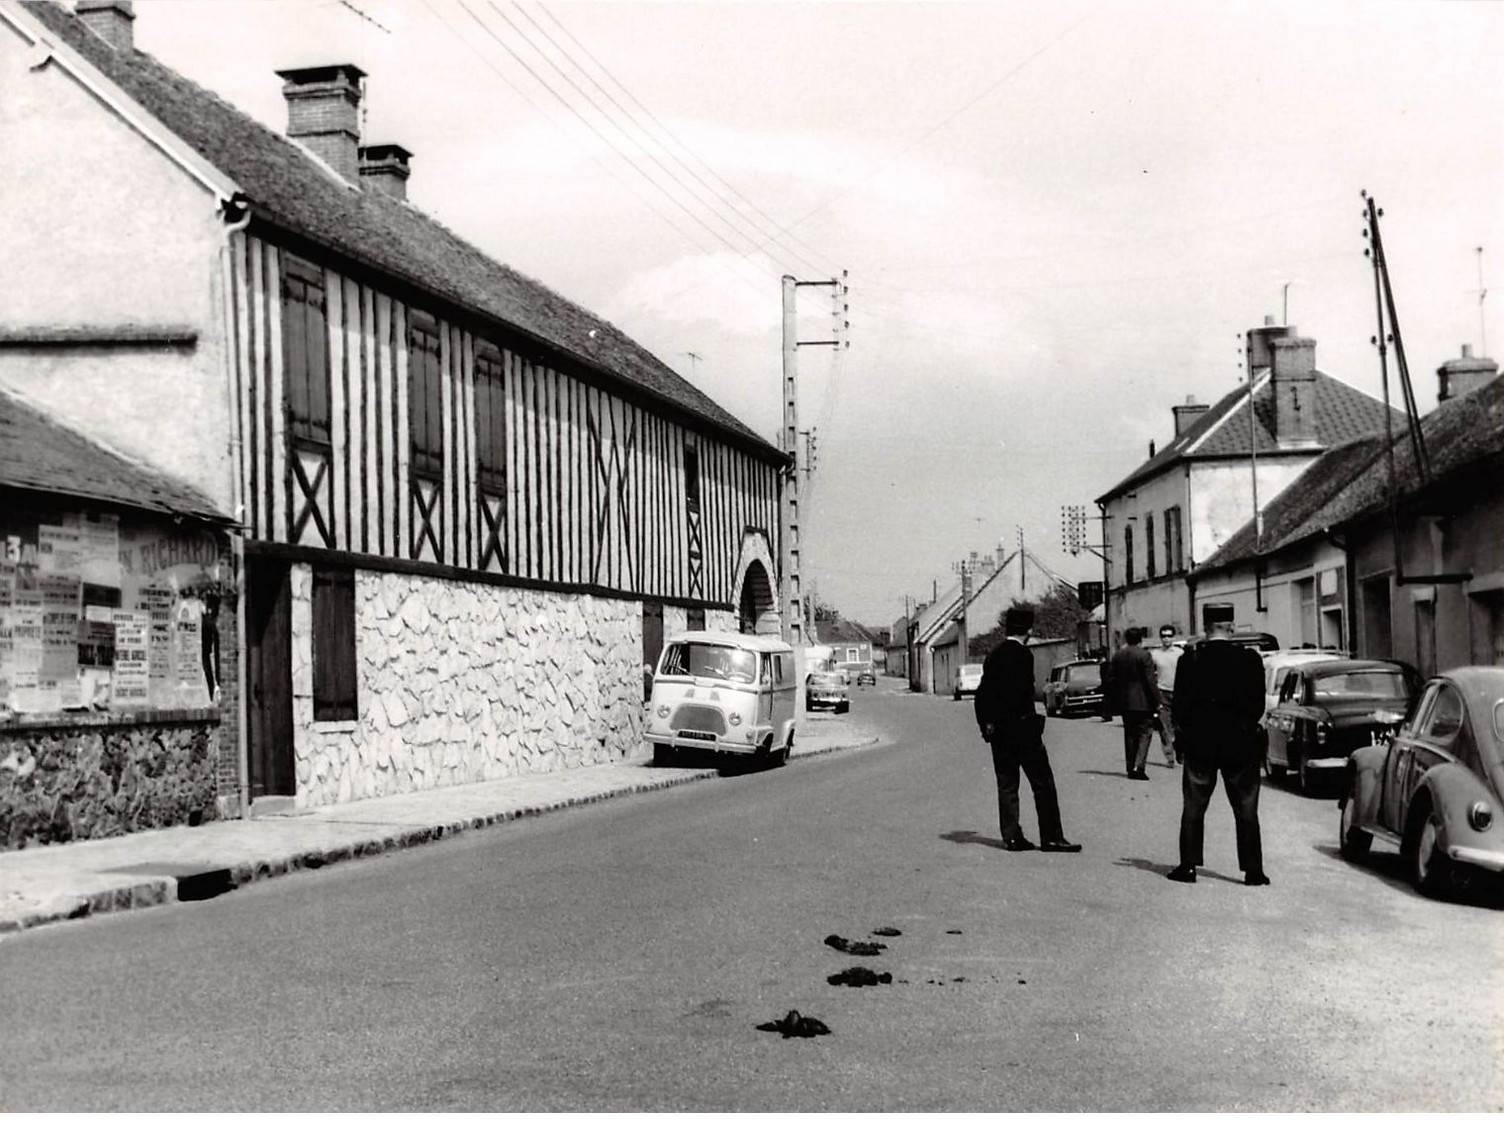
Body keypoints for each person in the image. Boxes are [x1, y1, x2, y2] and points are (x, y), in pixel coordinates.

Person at [1167, 617, 1270, 886]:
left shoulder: (1190, 660)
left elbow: (1179, 706)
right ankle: (1253, 871)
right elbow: (1257, 705)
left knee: (1194, 805)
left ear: (1206, 629)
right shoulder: (1249, 659)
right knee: (1246, 807)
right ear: (1232, 628)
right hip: (1241, 744)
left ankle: (1188, 866)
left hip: (1200, 743)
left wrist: (1186, 735)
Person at [973, 608, 1082, 854]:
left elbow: (982, 695)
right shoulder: (1023, 655)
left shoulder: (993, 655)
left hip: (999, 732)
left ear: (1007, 628)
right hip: (1022, 730)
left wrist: (986, 725)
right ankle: (1051, 837)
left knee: (1007, 784)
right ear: (1029, 630)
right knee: (1043, 783)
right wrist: (1032, 723)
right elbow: (1023, 695)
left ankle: (1012, 837)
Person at [1106, 627, 1162, 780]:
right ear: (1140, 639)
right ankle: (1139, 766)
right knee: (1145, 734)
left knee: (1129, 735)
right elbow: (1150, 681)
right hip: (1143, 702)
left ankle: (1130, 767)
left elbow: (1110, 679)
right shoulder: (1144, 655)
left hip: (1125, 702)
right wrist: (1157, 700)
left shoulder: (1118, 656)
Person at [1149, 625, 1183, 767]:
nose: (1166, 639)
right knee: (1164, 726)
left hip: (1180, 693)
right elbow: (1150, 674)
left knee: (1181, 726)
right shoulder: (1155, 654)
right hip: (1162, 692)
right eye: (1164, 636)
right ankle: (1169, 757)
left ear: (1174, 637)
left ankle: (1181, 753)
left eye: (1169, 636)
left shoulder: (1180, 653)